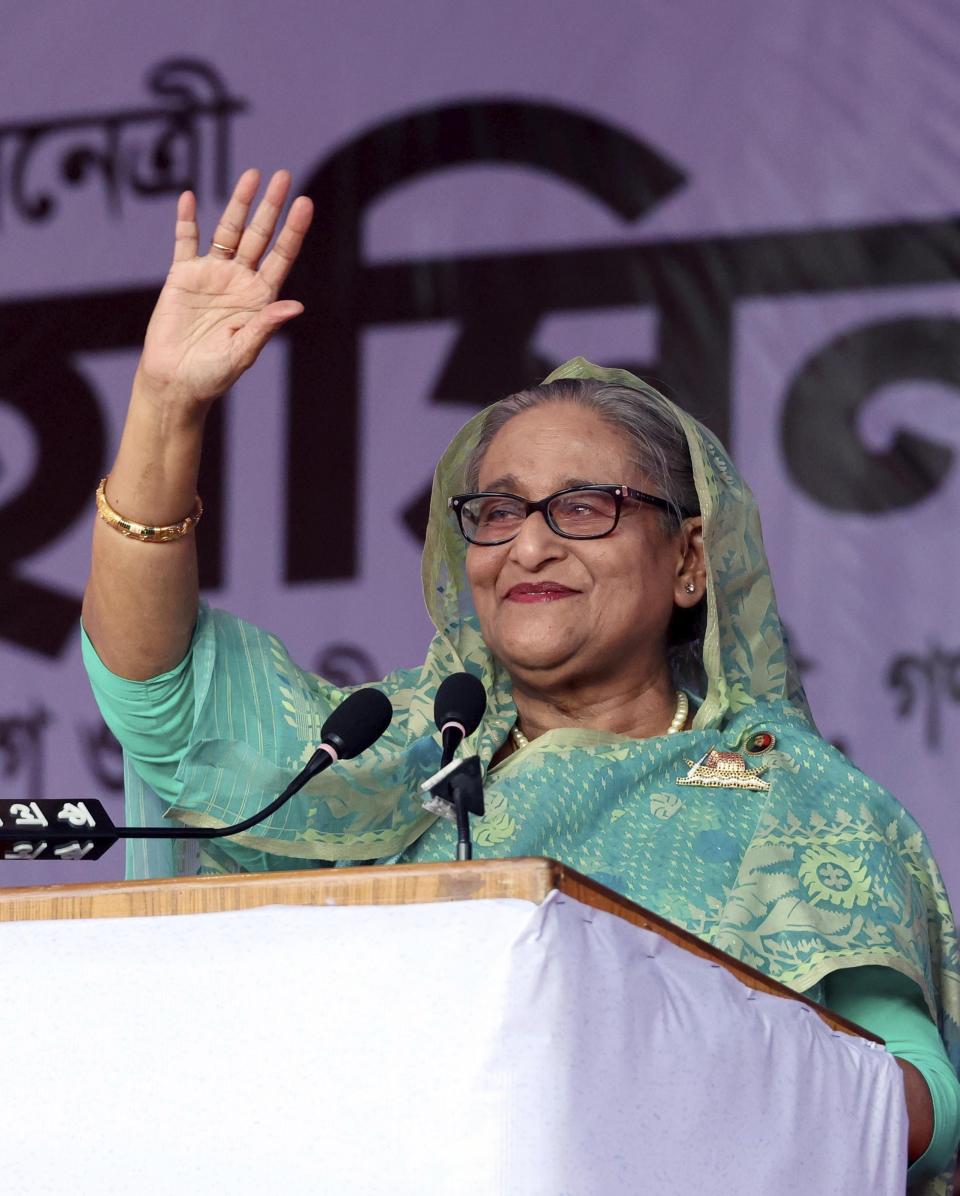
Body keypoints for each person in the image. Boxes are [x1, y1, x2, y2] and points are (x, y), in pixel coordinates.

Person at [81, 169, 960, 1189]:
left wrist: (666, 1044)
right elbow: (163, 695)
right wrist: (164, 407)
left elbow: (920, 1102)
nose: (527, 547)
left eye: (582, 506)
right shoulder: (385, 766)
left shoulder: (795, 804)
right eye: (496, 512)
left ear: (687, 559)